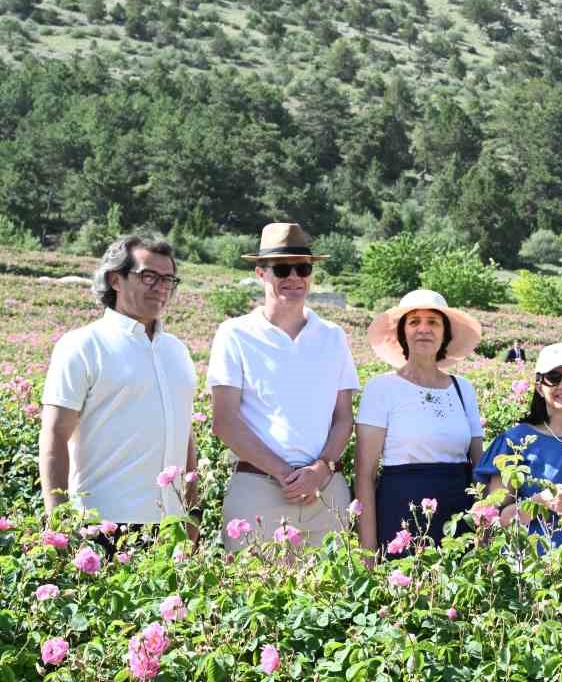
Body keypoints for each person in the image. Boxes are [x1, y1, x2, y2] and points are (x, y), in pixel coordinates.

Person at [208, 222, 358, 552]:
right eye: (282, 269)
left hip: (326, 491)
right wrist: (286, 474)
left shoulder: (333, 336)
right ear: (261, 274)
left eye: (302, 268)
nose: (294, 277)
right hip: (258, 490)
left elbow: (343, 417)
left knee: (330, 600)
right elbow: (225, 421)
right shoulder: (234, 334)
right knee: (254, 598)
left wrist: (321, 469)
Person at [41, 234, 198, 529]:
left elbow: (185, 433)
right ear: (115, 279)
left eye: (168, 280)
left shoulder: (177, 350)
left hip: (170, 526)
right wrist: (58, 521)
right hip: (103, 523)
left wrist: (192, 514)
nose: (161, 288)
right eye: (149, 276)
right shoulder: (83, 345)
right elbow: (54, 434)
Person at [354, 290, 485, 554]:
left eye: (433, 322)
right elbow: (365, 475)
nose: (423, 329)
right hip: (402, 508)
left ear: (444, 333)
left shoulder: (463, 388)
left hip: (457, 513)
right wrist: (367, 550)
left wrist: (484, 529)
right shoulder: (381, 388)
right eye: (414, 322)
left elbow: (479, 465)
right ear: (402, 333)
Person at [476, 343, 562, 554]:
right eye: (553, 377)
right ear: (539, 386)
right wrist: (540, 502)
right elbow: (495, 520)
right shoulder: (514, 442)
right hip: (534, 571)